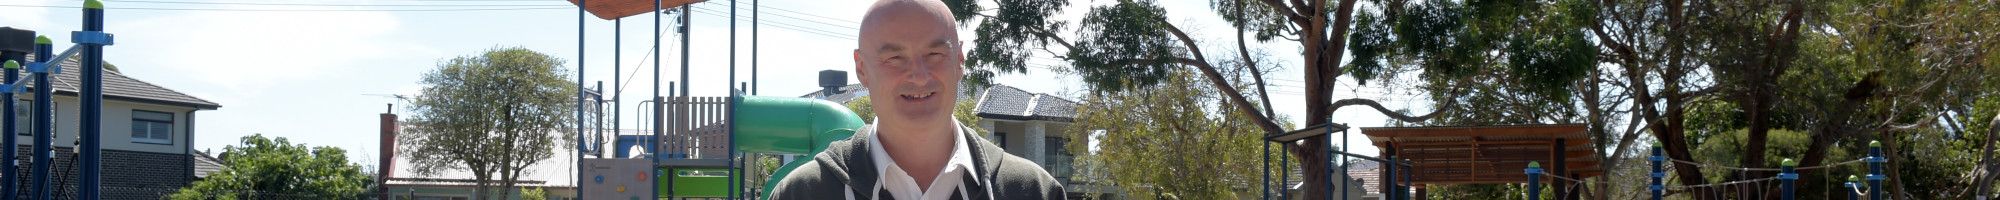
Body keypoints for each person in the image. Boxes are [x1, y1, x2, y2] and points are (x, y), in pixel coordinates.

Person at [768, 0, 1066, 199]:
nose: (919, 75)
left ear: (959, 60)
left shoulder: (1031, 191)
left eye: (934, 54)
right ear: (861, 68)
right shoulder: (804, 192)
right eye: (895, 58)